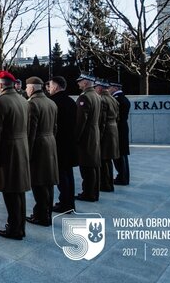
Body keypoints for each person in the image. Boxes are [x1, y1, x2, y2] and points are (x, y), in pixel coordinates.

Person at [0, 70, 30, 240]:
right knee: (19, 190)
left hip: (8, 149)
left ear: (1, 85)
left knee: (9, 190)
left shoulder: (1, 101)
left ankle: (14, 228)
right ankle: (20, 226)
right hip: (21, 147)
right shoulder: (23, 100)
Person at [25, 76, 58, 226]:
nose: (26, 90)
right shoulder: (51, 102)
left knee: (38, 183)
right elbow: (55, 127)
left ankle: (41, 216)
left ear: (31, 88)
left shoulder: (32, 104)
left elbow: (31, 132)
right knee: (48, 182)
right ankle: (47, 213)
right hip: (50, 142)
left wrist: (28, 153)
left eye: (27, 87)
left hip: (38, 145)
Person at [48, 76, 77, 213]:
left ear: (56, 87)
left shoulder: (54, 102)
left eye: (51, 85)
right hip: (70, 142)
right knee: (68, 174)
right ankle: (69, 202)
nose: (49, 88)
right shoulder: (71, 101)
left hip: (59, 143)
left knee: (61, 175)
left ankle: (65, 203)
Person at [74, 73, 101, 202]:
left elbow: (80, 121)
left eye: (80, 81)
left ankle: (88, 193)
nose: (78, 84)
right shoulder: (96, 95)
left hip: (86, 136)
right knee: (94, 165)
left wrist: (76, 138)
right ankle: (94, 192)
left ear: (85, 83)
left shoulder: (84, 97)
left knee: (86, 166)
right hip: (94, 132)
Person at [94, 79, 120, 192]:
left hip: (106, 132)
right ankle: (108, 183)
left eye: (95, 87)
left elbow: (102, 120)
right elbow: (117, 116)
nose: (95, 89)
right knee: (108, 160)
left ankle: (105, 184)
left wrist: (99, 135)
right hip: (113, 129)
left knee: (104, 160)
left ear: (99, 88)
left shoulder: (102, 99)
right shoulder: (112, 99)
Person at [108, 82, 131, 185]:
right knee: (123, 154)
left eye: (110, 87)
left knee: (119, 155)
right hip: (123, 128)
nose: (108, 89)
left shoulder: (116, 99)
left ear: (115, 88)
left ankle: (122, 177)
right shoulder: (123, 98)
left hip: (117, 129)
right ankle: (124, 177)